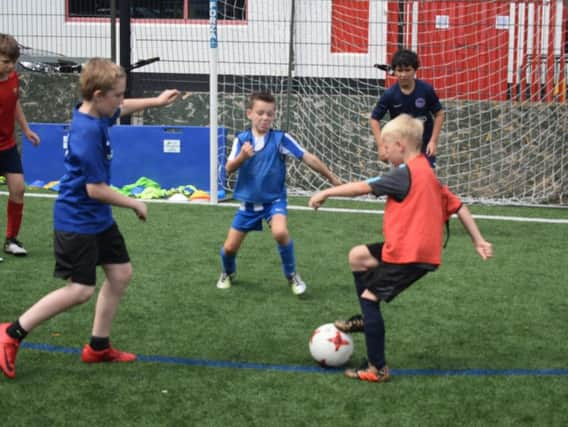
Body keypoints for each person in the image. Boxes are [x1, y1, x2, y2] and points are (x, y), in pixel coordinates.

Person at [0, 58, 180, 379]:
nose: (121, 101)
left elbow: (119, 109)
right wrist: (134, 203)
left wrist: (155, 101)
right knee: (80, 291)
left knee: (121, 274)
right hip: (77, 221)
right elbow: (95, 189)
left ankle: (98, 347)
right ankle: (11, 333)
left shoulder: (94, 111)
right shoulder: (87, 136)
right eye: (117, 95)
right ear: (98, 95)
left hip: (97, 219)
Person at [309, 114, 492, 383]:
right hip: (407, 246)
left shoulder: (403, 174)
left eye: (386, 145)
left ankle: (377, 367)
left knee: (371, 297)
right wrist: (479, 240)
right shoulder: (426, 172)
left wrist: (325, 193)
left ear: (400, 145)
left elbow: (363, 187)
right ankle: (365, 320)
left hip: (411, 254)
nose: (383, 152)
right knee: (357, 257)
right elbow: (458, 205)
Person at [217, 91, 341, 295]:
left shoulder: (280, 138)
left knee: (280, 232)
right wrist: (242, 157)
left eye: (270, 114)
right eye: (260, 113)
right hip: (248, 204)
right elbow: (229, 168)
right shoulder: (242, 140)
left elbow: (307, 157)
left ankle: (292, 275)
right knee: (229, 249)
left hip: (274, 200)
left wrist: (332, 179)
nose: (265, 118)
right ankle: (227, 272)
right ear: (249, 113)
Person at [0, 34, 41, 261]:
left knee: (18, 188)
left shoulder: (13, 78)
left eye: (12, 62)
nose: (10, 66)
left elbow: (14, 102)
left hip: (7, 146)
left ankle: (11, 240)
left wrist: (26, 130)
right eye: (5, 61)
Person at [370, 48, 444, 167]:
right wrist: (381, 146)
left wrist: (433, 141)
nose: (403, 74)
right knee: (404, 181)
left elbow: (439, 114)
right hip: (401, 148)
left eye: (407, 70)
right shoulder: (390, 94)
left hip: (424, 146)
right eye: (400, 70)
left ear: (415, 70)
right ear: (394, 71)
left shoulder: (426, 90)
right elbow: (374, 119)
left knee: (423, 179)